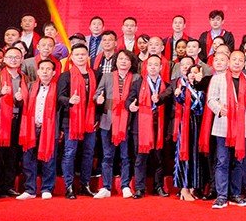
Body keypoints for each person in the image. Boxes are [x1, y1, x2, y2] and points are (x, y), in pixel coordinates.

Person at [206, 51, 246, 208]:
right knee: (222, 161)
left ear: (245, 63)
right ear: (229, 62)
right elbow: (211, 99)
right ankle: (221, 196)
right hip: (223, 126)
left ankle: (235, 194)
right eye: (234, 59)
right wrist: (219, 109)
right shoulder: (218, 78)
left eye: (241, 60)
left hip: (242, 128)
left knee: (238, 162)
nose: (237, 62)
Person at [0, 45, 28, 201]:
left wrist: (19, 100)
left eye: (17, 57)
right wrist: (0, 93)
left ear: (22, 59)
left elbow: (27, 101)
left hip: (17, 121)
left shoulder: (24, 78)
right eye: (10, 57)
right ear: (5, 59)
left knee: (12, 155)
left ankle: (8, 186)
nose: (13, 60)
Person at [93, 50, 139, 199]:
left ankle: (125, 186)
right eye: (120, 59)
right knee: (107, 156)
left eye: (126, 59)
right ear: (116, 61)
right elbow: (97, 94)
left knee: (126, 156)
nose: (123, 61)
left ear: (131, 62)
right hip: (108, 121)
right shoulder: (107, 76)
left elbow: (139, 97)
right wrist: (98, 99)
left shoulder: (136, 78)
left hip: (127, 121)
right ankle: (106, 187)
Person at [59, 44, 100, 199]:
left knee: (88, 153)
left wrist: (97, 115)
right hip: (71, 120)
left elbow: (99, 97)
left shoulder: (95, 74)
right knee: (70, 152)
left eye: (83, 54)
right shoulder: (66, 76)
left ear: (88, 56)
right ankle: (69, 186)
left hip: (90, 120)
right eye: (77, 55)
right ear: (72, 57)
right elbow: (60, 97)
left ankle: (85, 184)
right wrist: (69, 100)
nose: (80, 57)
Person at [18, 59, 59, 200]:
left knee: (49, 158)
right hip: (30, 127)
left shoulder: (58, 87)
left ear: (54, 72)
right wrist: (18, 99)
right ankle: (30, 189)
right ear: (38, 72)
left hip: (50, 128)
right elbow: (22, 104)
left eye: (48, 69)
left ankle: (47, 188)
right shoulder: (30, 86)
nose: (45, 72)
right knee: (28, 158)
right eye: (42, 69)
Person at [133, 55, 173, 198]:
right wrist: (130, 106)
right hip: (142, 126)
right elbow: (130, 100)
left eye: (156, 65)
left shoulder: (167, 86)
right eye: (150, 65)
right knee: (140, 158)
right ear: (146, 67)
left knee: (159, 158)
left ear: (161, 67)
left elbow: (170, 109)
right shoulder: (138, 83)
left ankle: (158, 186)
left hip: (160, 127)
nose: (153, 67)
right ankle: (139, 188)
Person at [172, 56, 206, 201]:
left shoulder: (202, 88)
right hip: (186, 124)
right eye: (190, 72)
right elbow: (180, 101)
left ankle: (193, 187)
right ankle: (183, 188)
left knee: (196, 156)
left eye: (195, 72)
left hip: (199, 124)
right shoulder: (183, 88)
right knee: (184, 155)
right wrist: (178, 95)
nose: (192, 74)